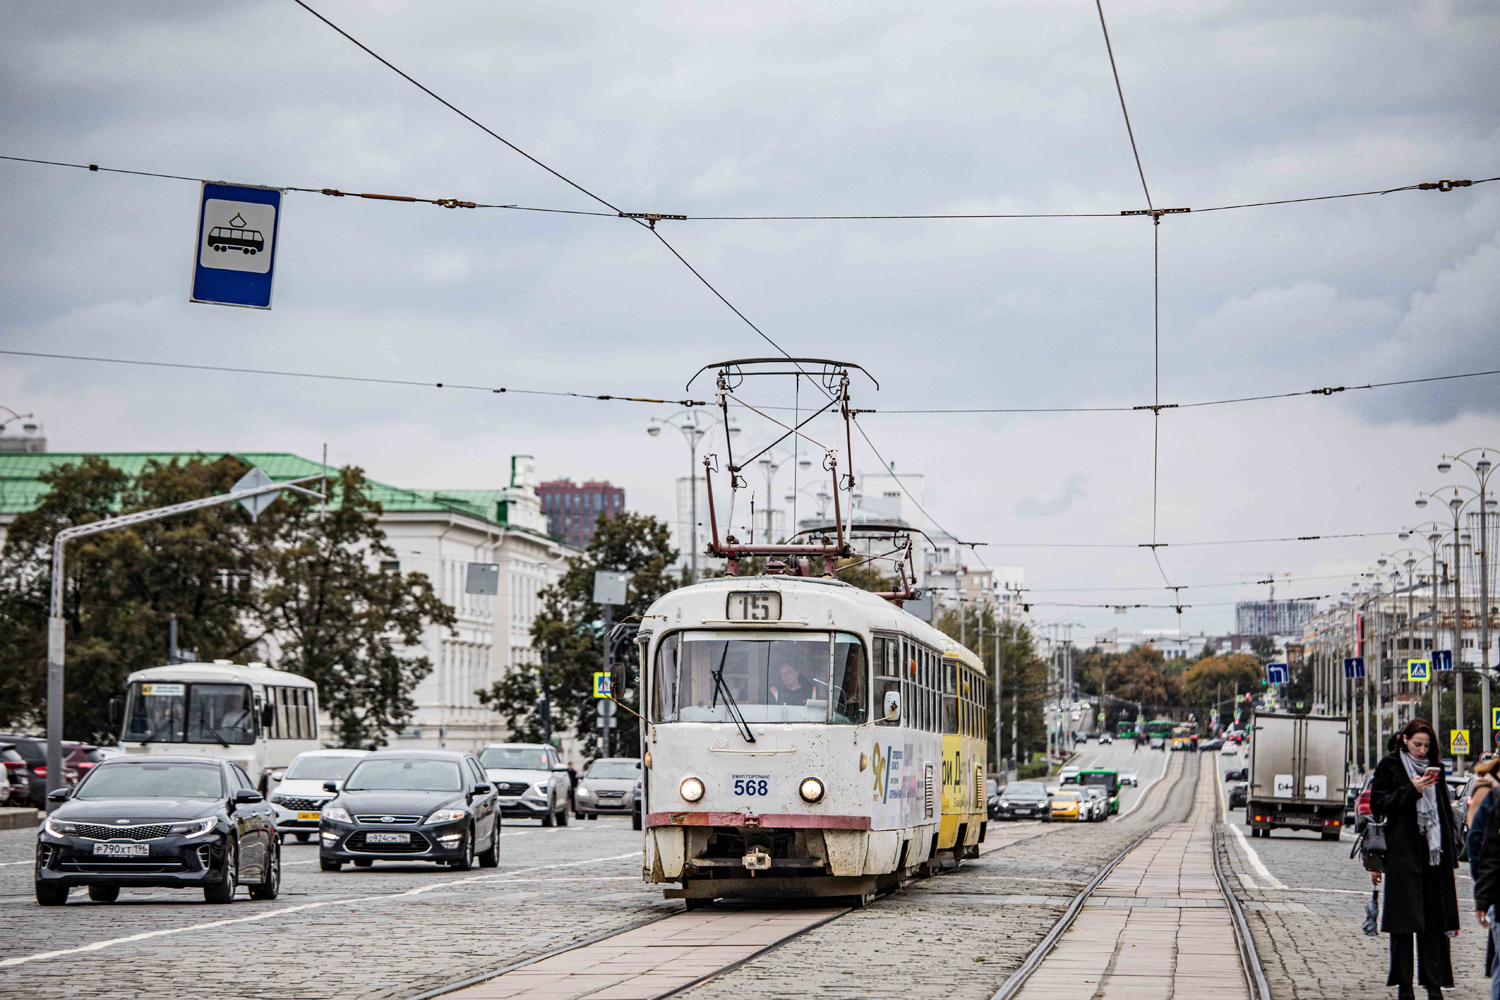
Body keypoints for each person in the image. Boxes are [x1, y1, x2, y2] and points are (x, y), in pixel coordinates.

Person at [1371, 719, 1460, 1000]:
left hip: (1433, 857)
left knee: (1435, 924)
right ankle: (1404, 986)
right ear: (1405, 740)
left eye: (1427, 745)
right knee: (1402, 925)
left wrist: (1450, 862)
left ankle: (1434, 986)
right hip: (1402, 855)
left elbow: (1444, 813)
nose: (1421, 750)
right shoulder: (1390, 765)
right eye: (1416, 744)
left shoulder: (1438, 770)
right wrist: (1412, 789)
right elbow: (1379, 805)